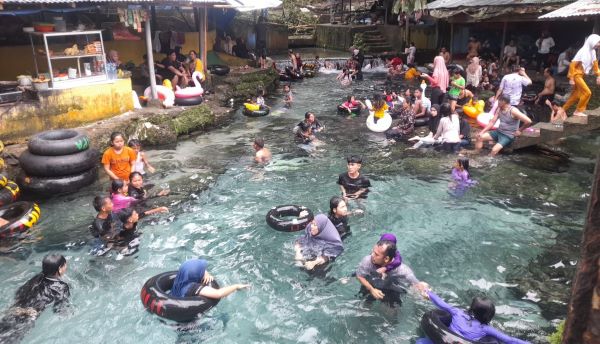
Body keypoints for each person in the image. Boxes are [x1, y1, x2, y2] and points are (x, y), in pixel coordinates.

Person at [0, 254, 70, 344]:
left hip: (12, 312)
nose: (66, 267)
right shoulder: (61, 286)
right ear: (60, 268)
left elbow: (19, 293)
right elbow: (60, 309)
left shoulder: (36, 278)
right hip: (27, 319)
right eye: (65, 265)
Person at [422, 292, 530, 344]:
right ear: (489, 315)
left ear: (472, 308)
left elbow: (441, 303)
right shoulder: (485, 329)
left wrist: (429, 293)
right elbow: (509, 340)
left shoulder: (457, 312)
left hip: (440, 340)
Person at [356, 239, 429, 302]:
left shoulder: (403, 271)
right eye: (373, 251)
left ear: (386, 259)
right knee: (364, 303)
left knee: (392, 311)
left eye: (376, 254)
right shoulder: (367, 260)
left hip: (391, 288)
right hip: (372, 284)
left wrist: (423, 291)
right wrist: (372, 290)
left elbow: (417, 285)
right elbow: (359, 276)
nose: (372, 255)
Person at [170, 259, 250, 298]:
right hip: (188, 324)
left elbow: (194, 271)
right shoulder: (193, 287)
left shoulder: (180, 279)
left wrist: (206, 274)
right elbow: (219, 294)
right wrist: (236, 286)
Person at [563, 34, 600, 117]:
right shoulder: (582, 51)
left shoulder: (593, 52)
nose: (599, 44)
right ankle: (578, 111)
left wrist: (599, 75)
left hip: (581, 75)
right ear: (592, 42)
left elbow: (595, 65)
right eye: (598, 42)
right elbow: (572, 64)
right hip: (576, 75)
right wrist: (571, 78)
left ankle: (563, 109)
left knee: (576, 95)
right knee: (587, 93)